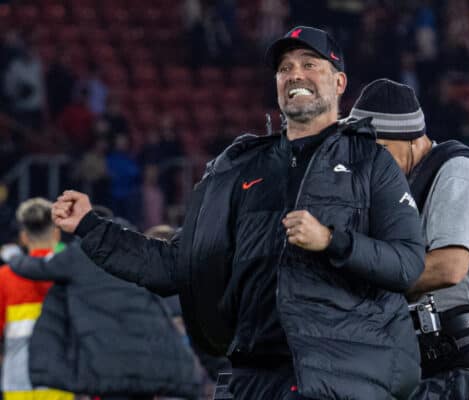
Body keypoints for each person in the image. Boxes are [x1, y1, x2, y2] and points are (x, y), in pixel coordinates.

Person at [51, 26, 425, 400]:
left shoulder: (370, 162)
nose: (295, 74)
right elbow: (175, 266)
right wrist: (89, 226)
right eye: (285, 68)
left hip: (347, 378)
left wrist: (332, 241)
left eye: (310, 64)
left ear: (339, 82)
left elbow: (407, 264)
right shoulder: (241, 168)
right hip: (254, 380)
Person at [348, 78, 469, 399]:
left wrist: (365, 288)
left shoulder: (456, 173)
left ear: (412, 139)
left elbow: (449, 267)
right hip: (426, 369)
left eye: (379, 149)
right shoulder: (398, 189)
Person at [5, 205, 201, 398]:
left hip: (109, 361)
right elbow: (173, 298)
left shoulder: (78, 256)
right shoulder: (135, 251)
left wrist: (12, 255)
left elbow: (35, 268)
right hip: (153, 361)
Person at [0, 198, 73, 400]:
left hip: (17, 381)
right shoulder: (70, 275)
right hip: (61, 379)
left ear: (23, 237)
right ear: (57, 234)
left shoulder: (4, 277)